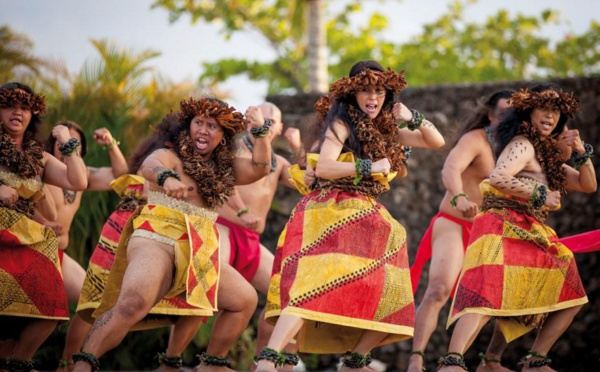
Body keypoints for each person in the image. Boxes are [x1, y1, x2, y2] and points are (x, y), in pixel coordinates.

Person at [254, 60, 445, 372]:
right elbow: (325, 167)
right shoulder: (341, 124)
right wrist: (371, 166)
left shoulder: (388, 130)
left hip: (366, 215)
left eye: (380, 92)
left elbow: (436, 141)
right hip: (329, 209)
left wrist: (413, 117)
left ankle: (355, 360)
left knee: (394, 291)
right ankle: (269, 358)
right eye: (366, 91)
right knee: (312, 286)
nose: (373, 98)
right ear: (353, 95)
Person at [71, 97, 273, 372]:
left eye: (212, 126)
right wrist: (168, 178)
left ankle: (212, 364)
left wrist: (260, 131)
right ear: (187, 126)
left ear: (223, 135)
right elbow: (150, 165)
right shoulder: (172, 155)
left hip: (199, 246)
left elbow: (261, 168)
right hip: (158, 237)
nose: (203, 130)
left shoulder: (226, 168)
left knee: (245, 300)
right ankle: (83, 365)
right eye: (198, 123)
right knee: (133, 303)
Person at [437, 84, 596, 372]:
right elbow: (498, 177)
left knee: (570, 294)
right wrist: (539, 195)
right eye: (543, 109)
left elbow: (588, 185)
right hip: (501, 224)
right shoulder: (523, 144)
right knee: (488, 293)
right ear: (529, 112)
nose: (549, 116)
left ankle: (527, 361)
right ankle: (452, 362)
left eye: (555, 111)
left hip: (530, 230)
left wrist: (581, 151)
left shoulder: (547, 157)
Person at [75, 113, 204, 372]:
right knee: (102, 305)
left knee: (199, 304)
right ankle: (71, 361)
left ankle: (170, 362)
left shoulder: (197, 170)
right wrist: (113, 146)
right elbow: (125, 174)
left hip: (173, 242)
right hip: (130, 236)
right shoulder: (154, 164)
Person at [407, 90, 515, 372]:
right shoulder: (476, 139)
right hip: (454, 222)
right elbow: (450, 168)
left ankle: (488, 361)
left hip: (489, 232)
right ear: (491, 114)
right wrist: (458, 196)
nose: (509, 118)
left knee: (503, 297)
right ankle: (415, 359)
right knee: (439, 289)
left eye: (515, 113)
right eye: (504, 112)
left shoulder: (519, 147)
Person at [0, 82, 88, 371]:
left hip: (28, 240)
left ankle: (19, 363)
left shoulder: (40, 158)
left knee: (51, 307)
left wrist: (67, 142)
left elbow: (79, 181)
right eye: (10, 105)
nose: (18, 112)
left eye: (25, 107)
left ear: (32, 115)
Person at [215, 102, 304, 372]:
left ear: (278, 127)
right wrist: (241, 211)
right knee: (203, 291)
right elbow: (223, 182)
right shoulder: (232, 149)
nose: (263, 122)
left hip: (252, 242)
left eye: (270, 119)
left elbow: (309, 182)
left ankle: (266, 363)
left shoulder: (280, 162)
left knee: (289, 295)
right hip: (223, 229)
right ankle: (185, 362)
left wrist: (296, 147)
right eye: (258, 116)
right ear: (247, 121)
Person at [34, 121, 129, 371]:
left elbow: (121, 176)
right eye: (63, 142)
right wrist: (42, 221)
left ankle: (67, 362)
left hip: (59, 255)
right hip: (32, 251)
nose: (68, 146)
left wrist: (111, 144)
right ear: (52, 146)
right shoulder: (40, 167)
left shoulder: (82, 176)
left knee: (95, 302)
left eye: (74, 144)